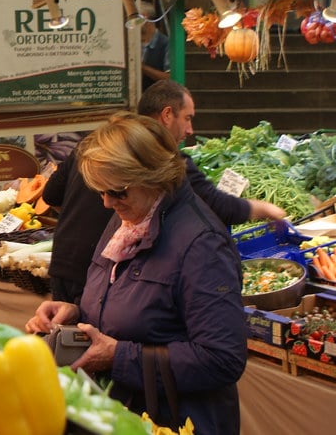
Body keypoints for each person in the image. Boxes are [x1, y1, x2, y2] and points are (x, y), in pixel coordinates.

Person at [25, 113, 246, 434]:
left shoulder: (202, 245)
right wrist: (74, 313)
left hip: (174, 421)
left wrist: (119, 357)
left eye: (116, 191)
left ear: (153, 176)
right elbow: (129, 304)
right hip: (124, 412)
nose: (106, 202)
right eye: (99, 190)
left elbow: (222, 359)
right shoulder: (129, 216)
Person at [46, 79, 285, 305]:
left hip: (66, 265)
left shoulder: (93, 146)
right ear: (167, 114)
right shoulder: (167, 161)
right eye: (188, 118)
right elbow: (217, 206)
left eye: (118, 191)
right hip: (97, 275)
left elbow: (52, 196)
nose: (108, 202)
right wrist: (264, 209)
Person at [140, 4, 170, 91]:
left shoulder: (165, 43)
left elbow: (169, 77)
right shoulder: (132, 43)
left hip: (156, 98)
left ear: (145, 18)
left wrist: (142, 67)